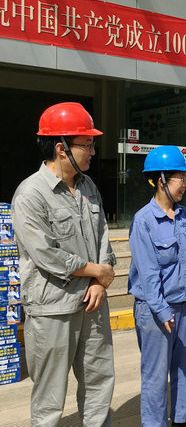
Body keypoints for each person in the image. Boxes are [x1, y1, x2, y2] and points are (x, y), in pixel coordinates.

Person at [12, 102, 116, 426]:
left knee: (99, 385)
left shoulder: (88, 188)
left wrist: (100, 282)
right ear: (61, 148)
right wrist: (96, 271)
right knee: (49, 400)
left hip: (92, 305)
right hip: (52, 310)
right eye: (87, 144)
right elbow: (46, 254)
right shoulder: (30, 195)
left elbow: (103, 239)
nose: (94, 151)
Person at [128, 145, 186, 427]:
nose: (185, 184)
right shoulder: (144, 221)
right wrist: (162, 311)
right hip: (156, 312)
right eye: (180, 178)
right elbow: (148, 273)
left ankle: (181, 419)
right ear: (161, 179)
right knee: (155, 374)